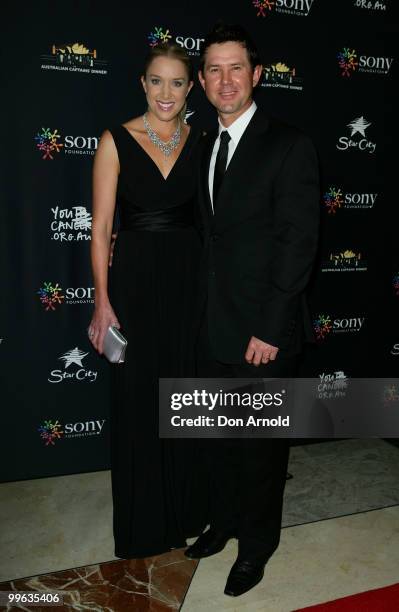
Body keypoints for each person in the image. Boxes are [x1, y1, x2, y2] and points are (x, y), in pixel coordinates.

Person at [184, 24, 320, 597]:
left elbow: (298, 242)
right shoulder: (199, 143)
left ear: (256, 74)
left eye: (235, 67)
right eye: (213, 69)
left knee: (261, 450)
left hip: (262, 331)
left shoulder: (288, 143)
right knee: (217, 438)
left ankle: (257, 546)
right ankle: (226, 521)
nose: (225, 80)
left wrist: (270, 328)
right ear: (201, 81)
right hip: (212, 325)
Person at [88, 43, 207, 558]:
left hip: (191, 284)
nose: (166, 93)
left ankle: (189, 511)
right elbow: (100, 231)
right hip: (134, 285)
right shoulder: (116, 140)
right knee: (140, 401)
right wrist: (102, 301)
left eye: (177, 82)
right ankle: (143, 525)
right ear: (142, 84)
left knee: (184, 394)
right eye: (156, 81)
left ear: (191, 87)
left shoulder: (203, 141)